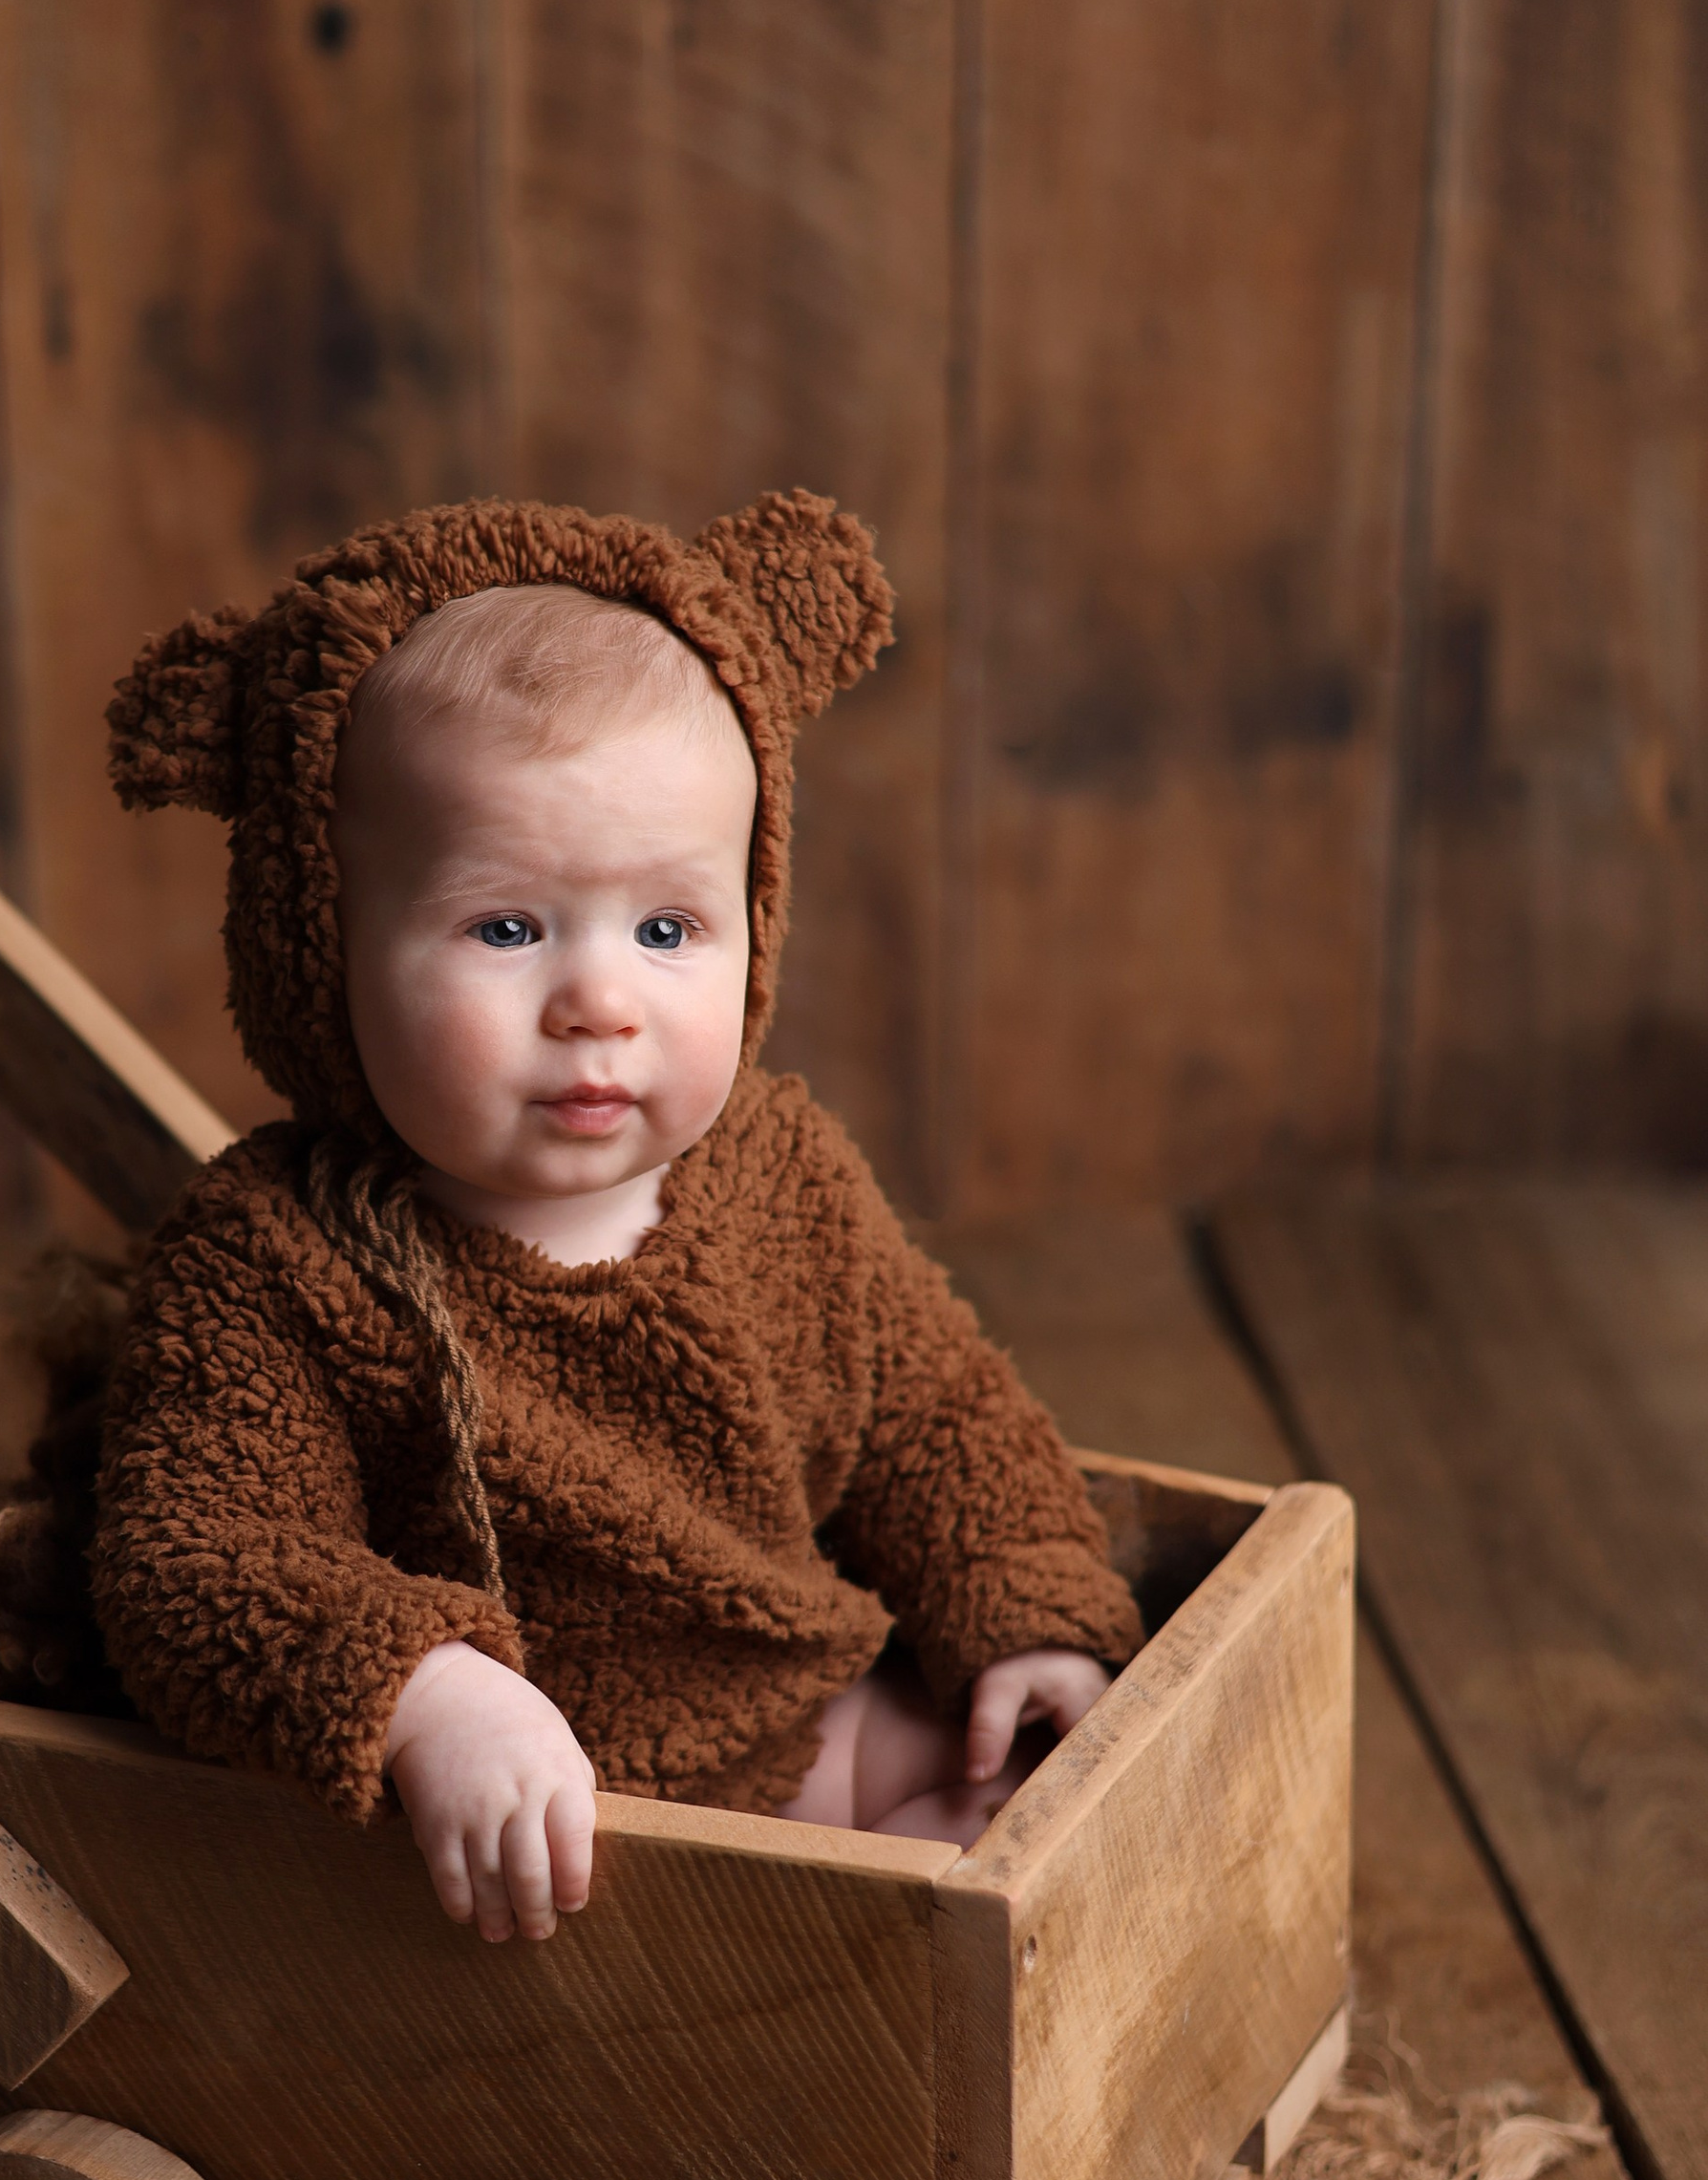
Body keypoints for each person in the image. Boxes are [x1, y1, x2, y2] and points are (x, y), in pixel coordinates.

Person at [89, 489, 1144, 1945]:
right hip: (558, 1849)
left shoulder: (781, 1174)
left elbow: (940, 1418)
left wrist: (1024, 1604)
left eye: (667, 929)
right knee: (857, 1951)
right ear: (322, 942)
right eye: (506, 928)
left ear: (753, 916)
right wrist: (422, 1687)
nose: (600, 1001)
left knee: (1036, 1809)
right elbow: (197, 1559)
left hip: (818, 1721)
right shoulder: (280, 1260)